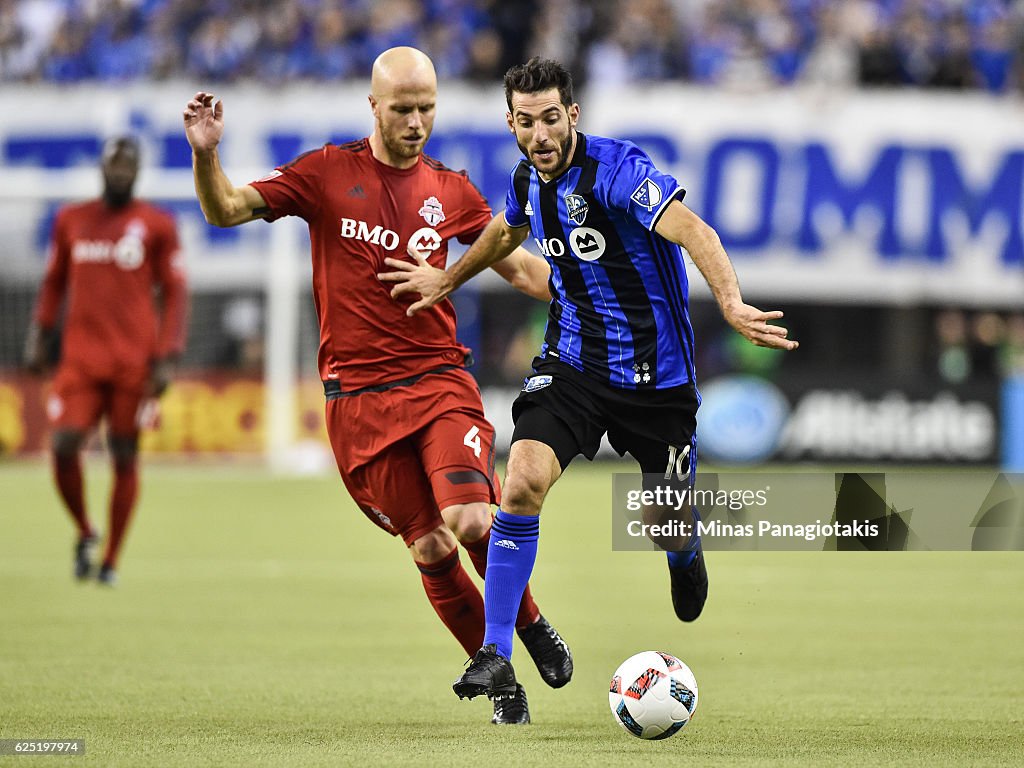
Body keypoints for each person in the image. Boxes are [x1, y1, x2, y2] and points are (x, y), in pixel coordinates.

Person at [379, 57, 799, 705]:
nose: (540, 135)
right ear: (512, 125)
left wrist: (734, 302)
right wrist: (447, 277)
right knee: (519, 482)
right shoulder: (527, 179)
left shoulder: (619, 171)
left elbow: (695, 231)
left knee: (667, 522)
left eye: (551, 119)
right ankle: (495, 649)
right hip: (573, 363)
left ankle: (683, 553)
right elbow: (505, 231)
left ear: (572, 116)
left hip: (656, 379)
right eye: (526, 122)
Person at [182, 46, 572, 725]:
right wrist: (206, 155)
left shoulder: (449, 189)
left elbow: (521, 271)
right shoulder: (325, 173)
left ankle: (527, 629)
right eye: (402, 109)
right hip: (357, 405)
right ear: (373, 107)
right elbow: (225, 211)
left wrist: (589, 298)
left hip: (438, 382)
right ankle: (505, 686)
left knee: (472, 518)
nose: (416, 122)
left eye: (426, 108)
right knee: (428, 548)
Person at [24, 136, 188, 587]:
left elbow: (174, 293)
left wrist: (168, 354)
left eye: (127, 166)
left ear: (136, 173)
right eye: (113, 165)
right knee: (62, 447)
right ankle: (85, 529)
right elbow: (54, 281)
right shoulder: (71, 220)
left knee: (124, 455)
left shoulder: (157, 225)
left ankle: (112, 559)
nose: (119, 173)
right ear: (101, 168)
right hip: (80, 360)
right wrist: (40, 332)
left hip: (132, 363)